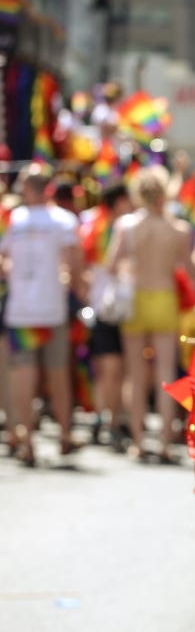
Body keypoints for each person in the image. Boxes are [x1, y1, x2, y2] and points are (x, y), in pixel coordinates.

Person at [107, 165, 195, 463]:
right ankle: (165, 443)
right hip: (164, 299)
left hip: (136, 299)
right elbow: (190, 269)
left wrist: (126, 271)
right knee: (165, 373)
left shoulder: (126, 226)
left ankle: (137, 440)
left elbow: (111, 265)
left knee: (134, 373)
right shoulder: (178, 229)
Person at [0, 163, 85, 465]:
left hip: (21, 310)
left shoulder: (15, 220)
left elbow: (3, 261)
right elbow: (75, 264)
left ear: (27, 189)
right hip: (52, 309)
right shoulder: (63, 221)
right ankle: (64, 434)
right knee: (58, 373)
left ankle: (27, 441)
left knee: (24, 374)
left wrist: (17, 275)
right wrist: (78, 289)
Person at [81, 179, 133, 452]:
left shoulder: (94, 224)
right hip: (113, 306)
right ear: (119, 201)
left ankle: (107, 417)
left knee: (108, 369)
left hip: (104, 304)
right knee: (113, 368)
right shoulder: (110, 227)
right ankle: (111, 421)